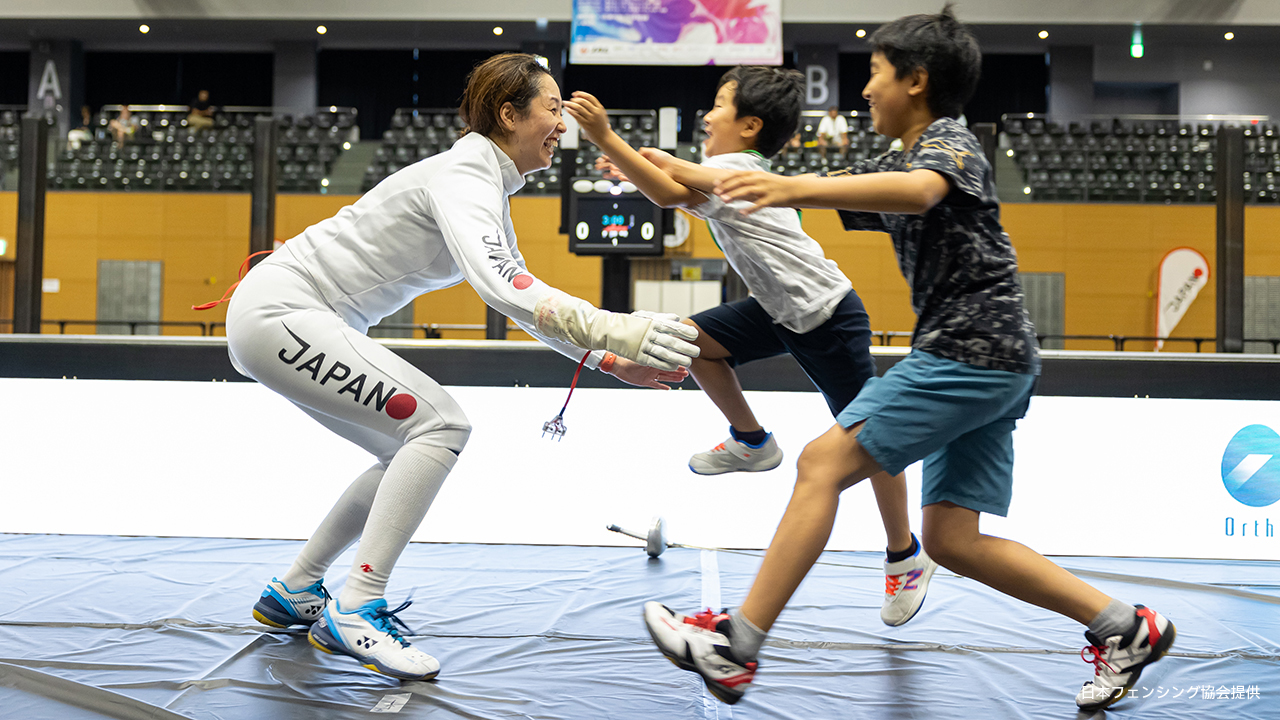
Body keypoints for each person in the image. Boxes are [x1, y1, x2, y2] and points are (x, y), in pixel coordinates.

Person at [642, 5, 1175, 711]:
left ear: (917, 81)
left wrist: (791, 185)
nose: (864, 91)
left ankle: (737, 648)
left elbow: (922, 191)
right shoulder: (895, 159)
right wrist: (689, 167)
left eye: (875, 74)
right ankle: (1126, 627)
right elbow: (779, 191)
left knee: (820, 464)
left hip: (967, 350)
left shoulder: (949, 145)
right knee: (953, 540)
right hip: (1002, 359)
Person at [224, 52, 699, 681]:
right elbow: (507, 289)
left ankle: (297, 589)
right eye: (553, 109)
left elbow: (521, 300)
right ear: (509, 114)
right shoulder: (465, 172)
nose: (563, 124)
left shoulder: (484, 186)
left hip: (285, 319)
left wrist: (608, 359)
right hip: (282, 313)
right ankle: (359, 608)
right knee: (440, 427)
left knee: (404, 451)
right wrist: (626, 329)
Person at [566, 66, 935, 634]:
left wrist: (607, 137)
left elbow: (668, 191)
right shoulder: (735, 166)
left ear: (750, 124)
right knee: (692, 344)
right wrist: (633, 163)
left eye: (718, 105)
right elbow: (671, 180)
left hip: (826, 316)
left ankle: (904, 554)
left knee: (873, 437)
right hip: (778, 311)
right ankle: (751, 441)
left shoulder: (732, 168)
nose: (707, 115)